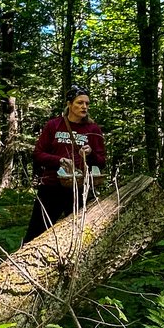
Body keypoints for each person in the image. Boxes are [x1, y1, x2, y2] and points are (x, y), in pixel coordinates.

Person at [22, 86, 106, 245]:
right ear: (69, 104)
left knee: (80, 235)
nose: (84, 107)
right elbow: (38, 154)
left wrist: (91, 154)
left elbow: (101, 162)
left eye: (87, 104)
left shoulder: (93, 129)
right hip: (52, 187)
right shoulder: (54, 125)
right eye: (80, 103)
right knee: (36, 233)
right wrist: (59, 160)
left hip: (80, 189)